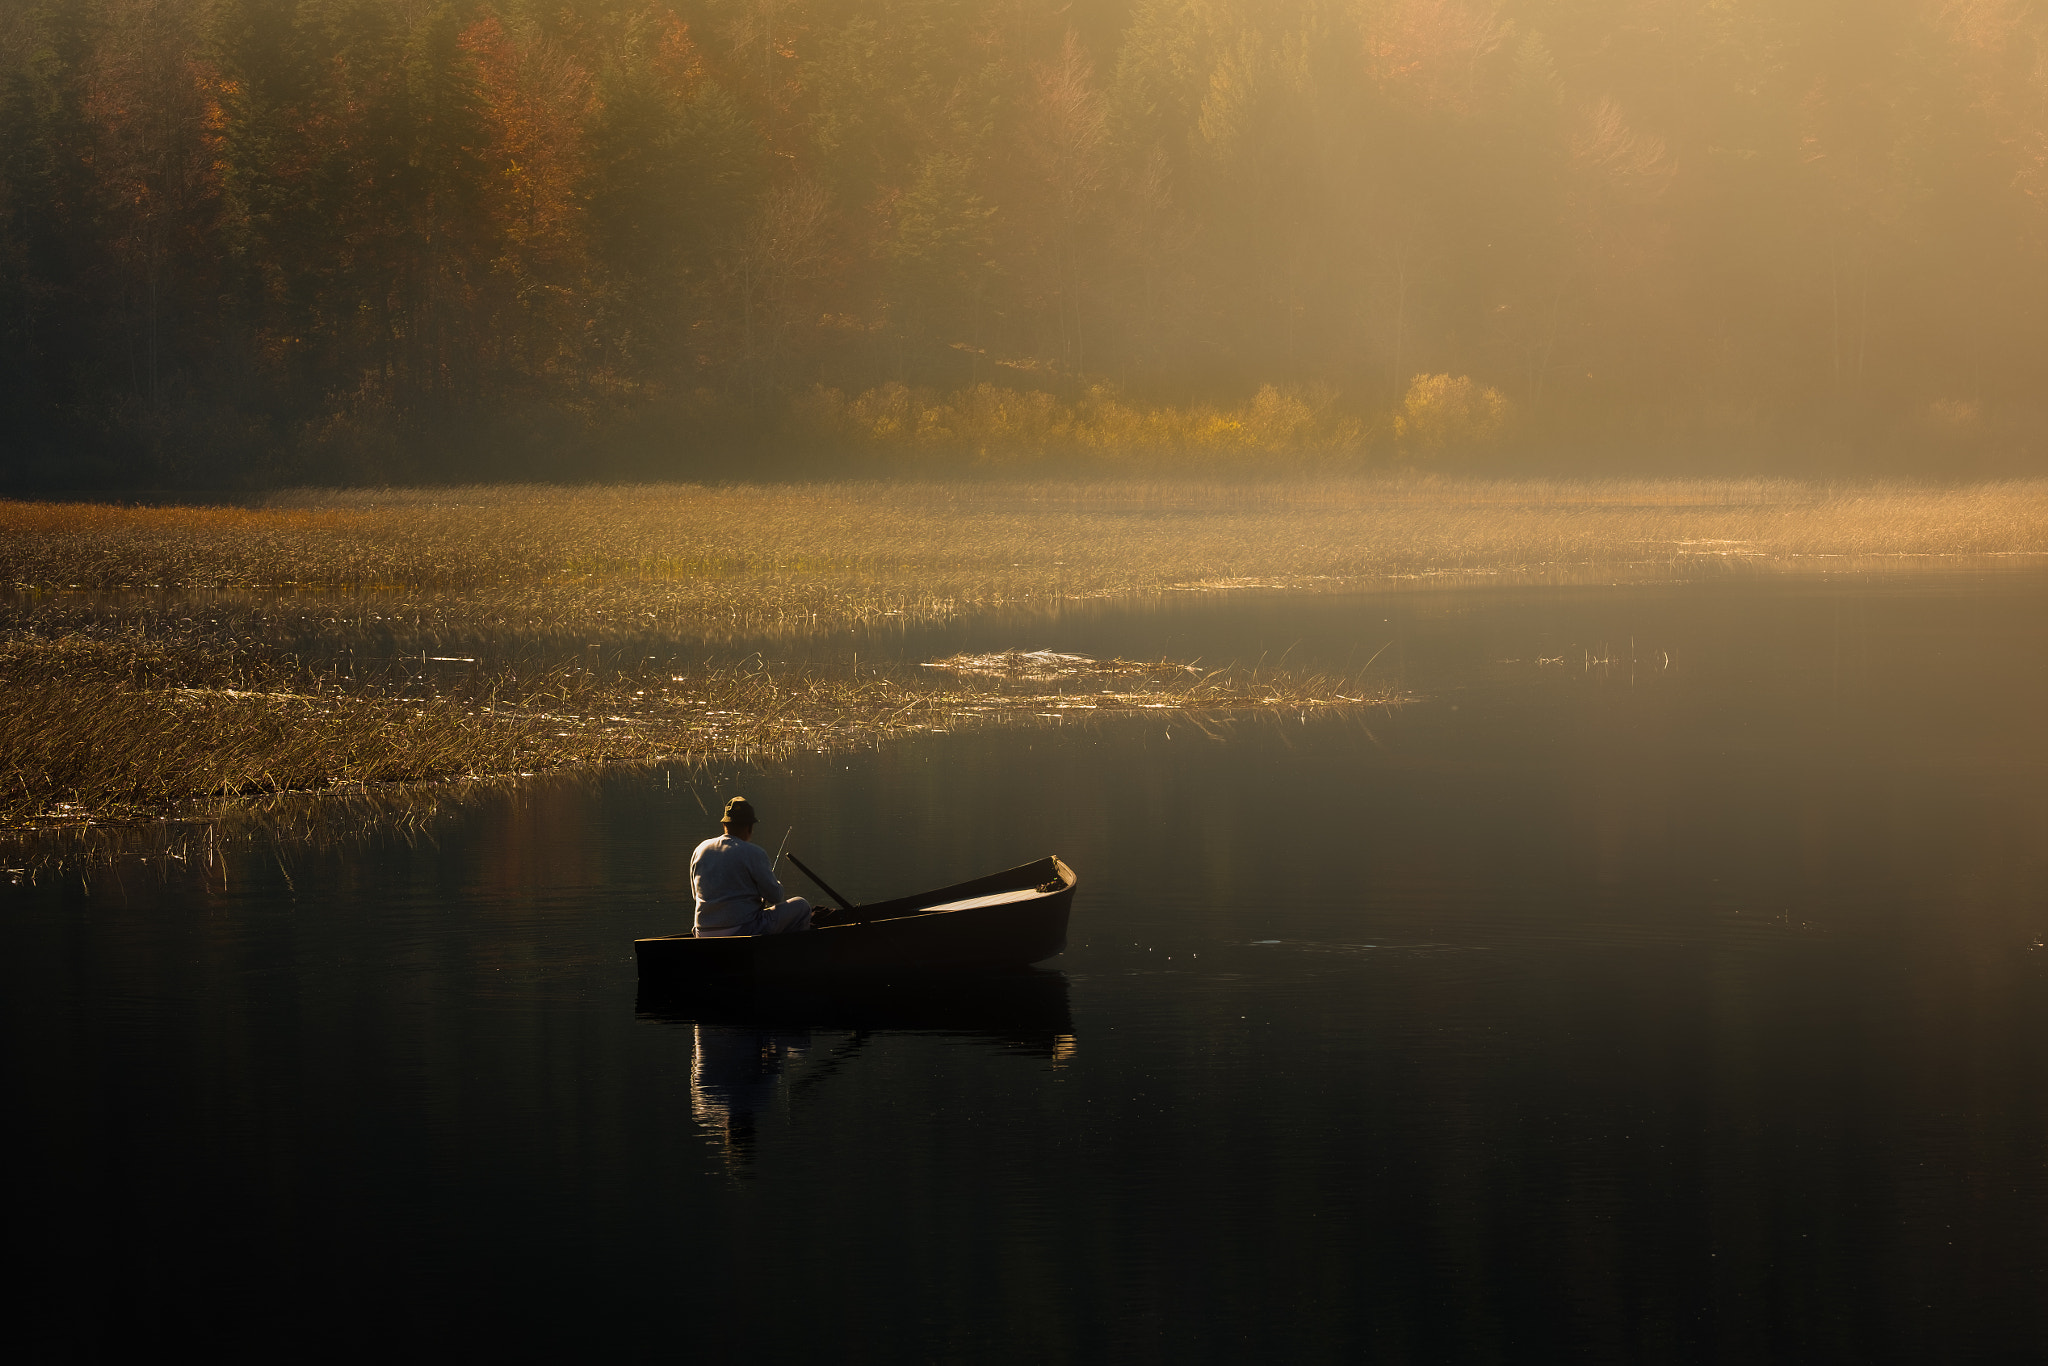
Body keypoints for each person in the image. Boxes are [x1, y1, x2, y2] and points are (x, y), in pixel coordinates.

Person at [690, 796, 813, 937]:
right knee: (801, 905)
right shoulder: (754, 852)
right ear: (749, 827)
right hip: (742, 930)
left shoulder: (700, 849)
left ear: (725, 825)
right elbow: (776, 896)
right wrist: (774, 885)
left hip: (702, 932)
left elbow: (696, 895)